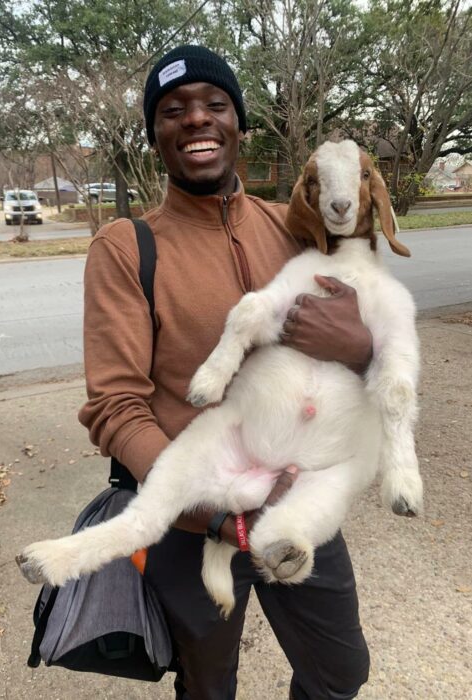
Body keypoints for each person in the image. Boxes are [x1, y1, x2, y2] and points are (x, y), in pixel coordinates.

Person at [79, 45, 372, 700]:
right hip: (195, 523)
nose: (195, 120)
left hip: (297, 509)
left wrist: (360, 347)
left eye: (214, 105)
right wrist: (213, 508)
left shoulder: (292, 226)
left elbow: (365, 341)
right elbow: (116, 407)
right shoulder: (127, 248)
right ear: (154, 134)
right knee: (209, 684)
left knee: (339, 671)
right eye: (173, 110)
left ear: (238, 125)